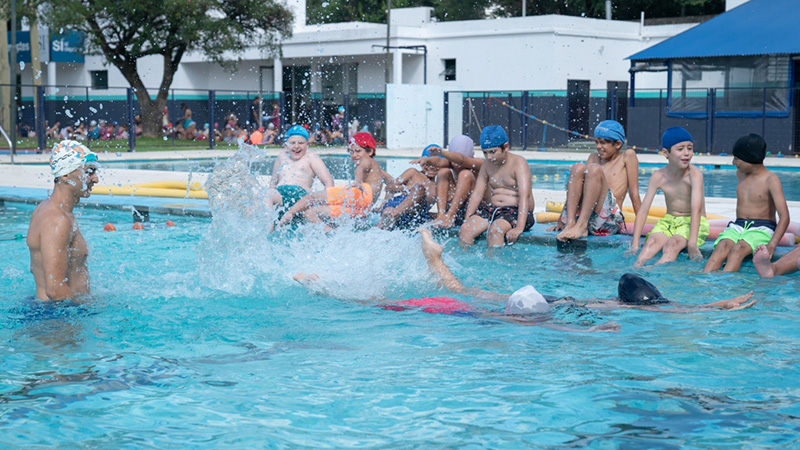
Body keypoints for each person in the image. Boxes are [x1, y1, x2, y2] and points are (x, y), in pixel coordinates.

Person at [294, 230, 754, 331]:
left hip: (505, 300)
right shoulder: (515, 319)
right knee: (377, 304)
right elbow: (549, 325)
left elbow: (550, 321)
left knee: (453, 291)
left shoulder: (516, 310)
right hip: (467, 307)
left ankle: (436, 263)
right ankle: (325, 287)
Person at [704, 134, 790, 273]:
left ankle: (724, 285)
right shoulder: (741, 174)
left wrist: (772, 245)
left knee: (738, 249)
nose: (733, 163)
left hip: (762, 228)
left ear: (750, 158)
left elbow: (784, 217)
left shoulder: (771, 180)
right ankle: (703, 280)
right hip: (738, 225)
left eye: (737, 158)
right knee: (722, 246)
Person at [27, 140, 99, 301]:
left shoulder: (47, 208)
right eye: (89, 172)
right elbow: (55, 290)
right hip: (60, 319)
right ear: (65, 174)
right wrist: (92, 308)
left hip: (55, 314)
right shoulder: (58, 220)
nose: (95, 179)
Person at [629, 127, 709, 267]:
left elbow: (696, 209)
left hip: (692, 221)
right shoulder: (658, 177)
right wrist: (635, 244)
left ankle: (655, 275)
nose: (686, 153)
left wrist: (692, 244)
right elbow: (643, 210)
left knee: (672, 244)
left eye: (689, 148)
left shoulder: (695, 175)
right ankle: (635, 271)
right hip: (669, 222)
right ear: (666, 153)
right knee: (651, 243)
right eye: (680, 149)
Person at [550, 120, 642, 242]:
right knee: (577, 168)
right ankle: (570, 223)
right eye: (597, 142)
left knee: (594, 169)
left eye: (603, 143)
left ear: (618, 144)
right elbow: (579, 190)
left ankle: (581, 226)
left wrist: (642, 224)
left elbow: (634, 193)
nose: (598, 147)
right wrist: (561, 219)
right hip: (587, 217)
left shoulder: (627, 156)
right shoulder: (593, 157)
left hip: (608, 220)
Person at [276, 132, 390, 230]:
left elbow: (359, 170)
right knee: (310, 212)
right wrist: (385, 202)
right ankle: (330, 232)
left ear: (369, 151)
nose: (354, 155)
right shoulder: (378, 169)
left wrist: (358, 182)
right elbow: (392, 183)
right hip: (363, 207)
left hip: (359, 194)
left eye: (357, 151)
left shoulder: (367, 160)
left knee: (312, 198)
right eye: (351, 152)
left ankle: (288, 215)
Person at [458, 125, 535, 248]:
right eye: (485, 153)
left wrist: (519, 227)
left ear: (506, 147)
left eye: (493, 152)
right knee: (466, 229)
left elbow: (524, 196)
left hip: (516, 211)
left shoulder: (519, 163)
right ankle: (465, 264)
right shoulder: (487, 164)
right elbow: (477, 194)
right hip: (493, 209)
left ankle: (495, 264)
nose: (489, 157)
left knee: (495, 231)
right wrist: (467, 219)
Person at [265, 124, 335, 223]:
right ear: (286, 145)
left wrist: (327, 202)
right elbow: (273, 183)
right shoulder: (281, 157)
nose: (296, 146)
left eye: (301, 143)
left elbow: (328, 181)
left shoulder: (311, 157)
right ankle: (267, 230)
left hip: (301, 196)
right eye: (292, 143)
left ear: (307, 144)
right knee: (267, 195)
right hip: (280, 195)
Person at [412, 135, 483, 229]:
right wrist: (427, 159)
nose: (457, 164)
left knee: (465, 174)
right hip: (455, 208)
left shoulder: (478, 163)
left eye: (458, 160)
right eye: (453, 161)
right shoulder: (449, 162)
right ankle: (441, 215)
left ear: (471, 156)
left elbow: (461, 160)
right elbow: (439, 161)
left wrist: (443, 152)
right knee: (443, 172)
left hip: (473, 210)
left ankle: (450, 216)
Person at [378, 145, 440, 230]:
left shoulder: (439, 186)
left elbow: (426, 210)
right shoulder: (413, 172)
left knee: (420, 191)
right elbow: (389, 187)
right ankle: (387, 219)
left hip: (415, 217)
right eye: (427, 163)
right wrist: (407, 188)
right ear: (421, 162)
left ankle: (390, 216)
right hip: (398, 204)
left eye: (435, 164)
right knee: (419, 189)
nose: (431, 167)